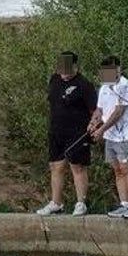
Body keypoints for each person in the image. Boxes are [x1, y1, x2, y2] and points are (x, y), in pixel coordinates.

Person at [36, 52, 99, 216]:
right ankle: (56, 202)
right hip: (57, 130)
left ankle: (81, 202)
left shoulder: (84, 85)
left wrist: (95, 127)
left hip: (77, 132)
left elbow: (95, 110)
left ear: (75, 66)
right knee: (56, 166)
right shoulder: (54, 80)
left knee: (77, 166)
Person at [89, 56, 128, 218]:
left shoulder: (126, 86)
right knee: (117, 169)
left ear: (118, 69)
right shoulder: (104, 87)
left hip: (127, 134)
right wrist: (93, 122)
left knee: (127, 168)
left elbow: (118, 112)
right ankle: (124, 204)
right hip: (111, 136)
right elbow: (100, 110)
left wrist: (101, 129)